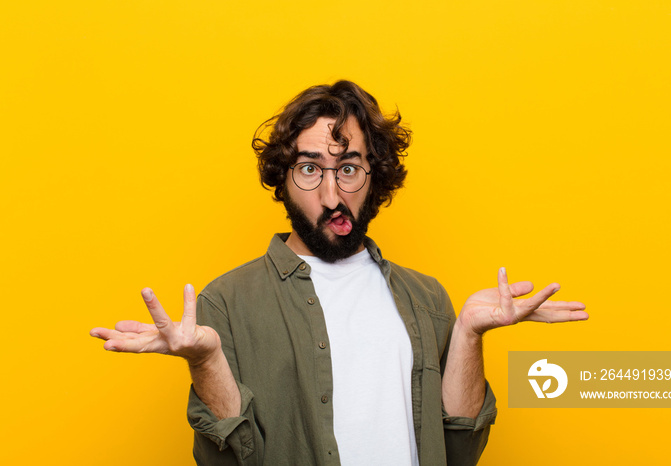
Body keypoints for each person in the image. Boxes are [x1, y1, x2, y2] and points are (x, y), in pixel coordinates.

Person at [90, 80, 588, 466]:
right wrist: (206, 361)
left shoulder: (425, 297)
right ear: (282, 178)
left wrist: (468, 333)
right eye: (310, 169)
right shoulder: (226, 304)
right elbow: (231, 461)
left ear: (376, 176)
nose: (332, 196)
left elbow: (457, 452)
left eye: (348, 168)